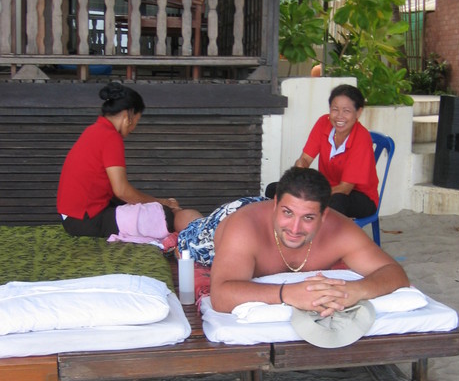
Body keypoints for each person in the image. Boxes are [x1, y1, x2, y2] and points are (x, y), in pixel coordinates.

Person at [211, 167, 409, 315]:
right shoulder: (244, 229)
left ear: (324, 216)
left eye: (308, 218)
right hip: (224, 220)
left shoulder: (340, 230)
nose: (295, 229)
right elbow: (220, 296)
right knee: (189, 226)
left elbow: (395, 273)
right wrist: (286, 294)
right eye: (287, 213)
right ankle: (178, 209)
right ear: (275, 205)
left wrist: (357, 289)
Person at [56, 82, 201, 238]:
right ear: (127, 116)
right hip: (84, 221)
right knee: (165, 216)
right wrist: (161, 202)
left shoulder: (94, 130)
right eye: (136, 121)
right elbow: (122, 190)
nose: (133, 129)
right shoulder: (111, 137)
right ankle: (204, 234)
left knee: (149, 207)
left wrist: (154, 202)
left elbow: (118, 193)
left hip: (73, 217)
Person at [265, 83, 378, 219]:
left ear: (358, 112)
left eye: (346, 111)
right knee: (274, 189)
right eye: (335, 109)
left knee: (336, 202)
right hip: (327, 188)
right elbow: (305, 159)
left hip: (359, 196)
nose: (339, 116)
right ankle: (284, 232)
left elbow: (345, 188)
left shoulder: (362, 138)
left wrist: (311, 194)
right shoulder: (323, 123)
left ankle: (322, 239)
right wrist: (300, 167)